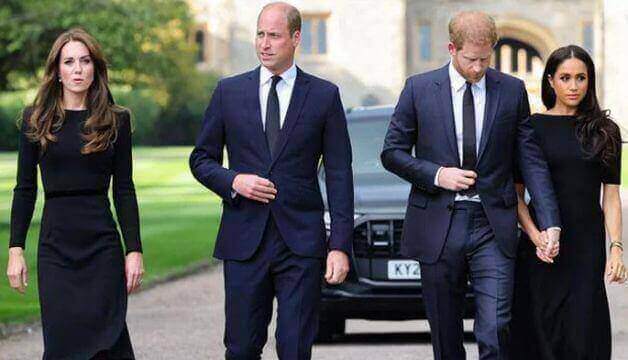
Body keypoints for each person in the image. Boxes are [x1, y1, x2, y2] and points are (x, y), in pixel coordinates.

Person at [381, 11, 562, 359]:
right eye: (470, 59)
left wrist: (550, 221)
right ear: (451, 48)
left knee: (495, 328)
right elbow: (392, 153)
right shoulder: (419, 89)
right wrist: (437, 175)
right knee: (446, 336)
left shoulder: (511, 90)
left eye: (485, 59)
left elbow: (530, 160)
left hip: (492, 224)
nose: (479, 67)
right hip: (437, 222)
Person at [189, 2, 353, 359]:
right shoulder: (228, 92)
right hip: (244, 239)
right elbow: (200, 159)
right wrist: (235, 181)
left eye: (274, 36)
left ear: (296, 38)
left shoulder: (324, 96)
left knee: (295, 348)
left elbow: (340, 174)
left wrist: (339, 245)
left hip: (301, 243)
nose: (264, 43)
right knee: (242, 347)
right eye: (260, 34)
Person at [6, 28, 144, 360]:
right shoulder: (35, 120)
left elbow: (124, 189)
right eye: (69, 62)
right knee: (63, 343)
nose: (78, 69)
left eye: (85, 61)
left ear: (95, 68)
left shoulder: (116, 121)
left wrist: (134, 250)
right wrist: (15, 249)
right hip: (56, 248)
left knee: (108, 343)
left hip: (102, 246)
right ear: (57, 71)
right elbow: (25, 189)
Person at [510, 45, 626, 359]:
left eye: (580, 78)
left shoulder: (605, 131)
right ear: (550, 81)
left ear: (590, 81)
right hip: (540, 247)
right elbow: (517, 196)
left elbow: (611, 196)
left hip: (586, 248)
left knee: (583, 332)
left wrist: (616, 247)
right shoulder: (531, 128)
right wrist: (536, 237)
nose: (573, 86)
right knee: (539, 330)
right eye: (565, 77)